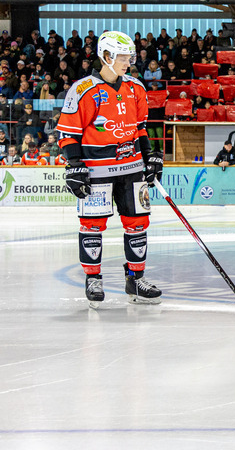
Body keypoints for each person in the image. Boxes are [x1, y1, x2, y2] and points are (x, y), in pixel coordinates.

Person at [56, 30, 163, 306]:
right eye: (124, 57)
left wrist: (150, 156)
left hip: (131, 169)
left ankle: (135, 280)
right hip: (96, 172)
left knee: (138, 225)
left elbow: (139, 129)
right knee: (92, 226)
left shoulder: (136, 88)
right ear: (106, 57)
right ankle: (93, 279)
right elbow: (68, 133)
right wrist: (75, 165)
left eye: (129, 57)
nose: (129, 62)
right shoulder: (82, 90)